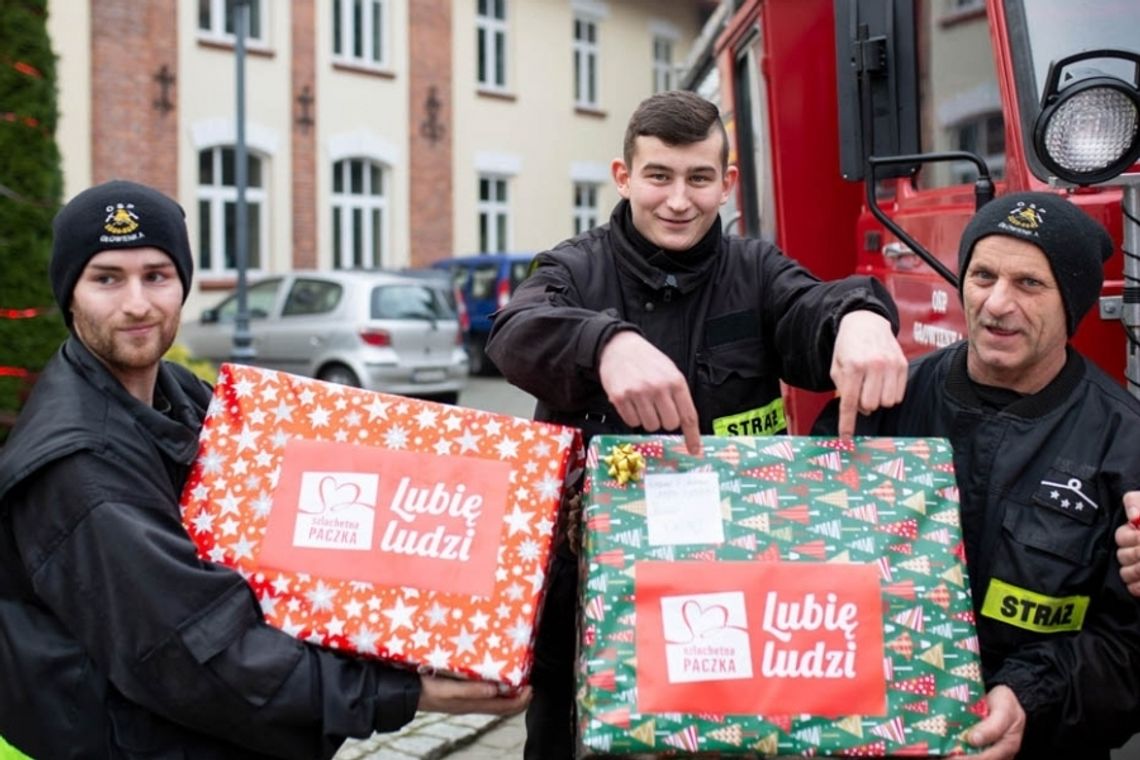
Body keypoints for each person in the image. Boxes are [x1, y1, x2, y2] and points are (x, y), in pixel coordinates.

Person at [0, 180, 527, 759]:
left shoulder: (183, 395)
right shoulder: (79, 468)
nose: (137, 303)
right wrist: (406, 692)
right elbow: (199, 655)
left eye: (156, 275)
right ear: (69, 294)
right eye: (107, 278)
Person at [485, 90, 909, 759]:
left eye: (698, 178)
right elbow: (514, 332)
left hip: (733, 594)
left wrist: (860, 316)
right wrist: (604, 344)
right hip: (592, 592)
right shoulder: (574, 268)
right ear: (624, 178)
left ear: (727, 183)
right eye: (658, 176)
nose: (678, 200)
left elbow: (814, 307)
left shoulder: (757, 271)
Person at [815, 191, 1140, 759]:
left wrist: (1029, 699)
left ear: (1074, 304)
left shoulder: (1124, 444)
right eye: (983, 275)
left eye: (1030, 284)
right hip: (873, 730)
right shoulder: (880, 405)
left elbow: (1126, 650)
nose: (997, 303)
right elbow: (798, 560)